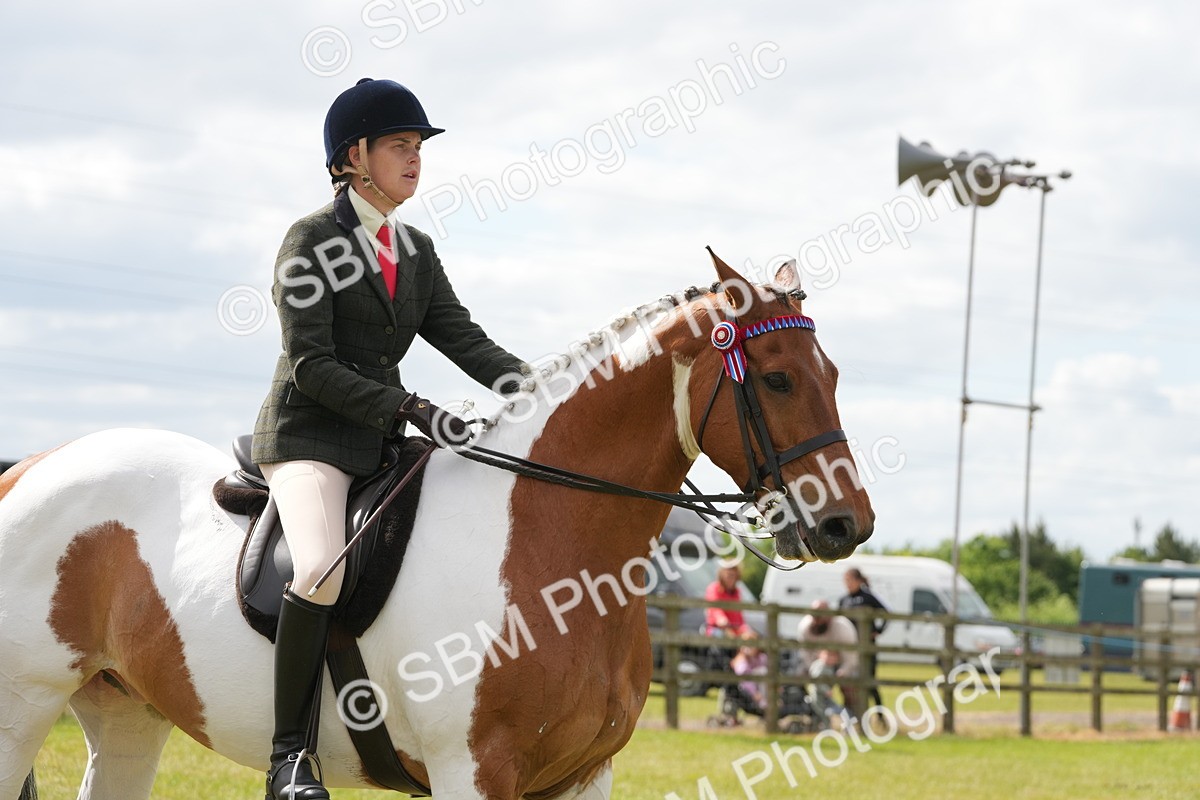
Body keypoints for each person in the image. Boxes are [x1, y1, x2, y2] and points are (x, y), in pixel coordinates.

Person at [250, 78, 527, 800]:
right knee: (318, 568)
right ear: (354, 157)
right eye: (400, 146)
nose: (415, 159)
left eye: (418, 148)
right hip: (309, 437)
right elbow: (311, 366)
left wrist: (542, 389)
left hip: (377, 442)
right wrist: (411, 408)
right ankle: (290, 759)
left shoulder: (414, 249)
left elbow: (464, 338)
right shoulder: (311, 240)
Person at [796, 600, 859, 716]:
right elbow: (805, 654)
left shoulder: (843, 628)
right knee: (797, 679)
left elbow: (851, 659)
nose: (817, 621)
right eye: (815, 617)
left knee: (849, 685)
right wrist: (815, 670)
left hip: (840, 666)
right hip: (816, 666)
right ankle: (809, 713)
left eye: (820, 617)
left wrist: (842, 673)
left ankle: (851, 717)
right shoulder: (805, 627)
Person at [838, 567, 888, 708]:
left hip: (867, 646)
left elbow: (886, 614)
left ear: (858, 581)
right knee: (848, 682)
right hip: (849, 647)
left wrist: (878, 630)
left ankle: (880, 714)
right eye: (846, 580)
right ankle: (850, 714)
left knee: (869, 681)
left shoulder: (868, 597)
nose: (847, 583)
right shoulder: (843, 600)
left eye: (850, 580)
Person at [704, 556, 756, 638]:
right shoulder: (714, 588)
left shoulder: (737, 592)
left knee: (751, 637)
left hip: (734, 629)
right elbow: (715, 608)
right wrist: (722, 620)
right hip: (717, 628)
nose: (731, 579)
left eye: (733, 576)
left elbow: (738, 616)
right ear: (722, 575)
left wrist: (745, 630)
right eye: (728, 575)